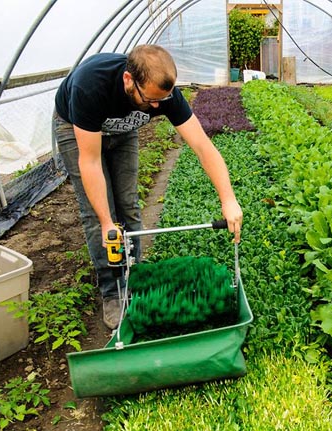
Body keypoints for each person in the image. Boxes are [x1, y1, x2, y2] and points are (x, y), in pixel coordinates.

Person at [53, 44, 243, 330]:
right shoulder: (90, 86)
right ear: (129, 81)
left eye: (162, 100)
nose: (157, 107)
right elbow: (90, 162)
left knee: (128, 204)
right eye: (150, 100)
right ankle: (111, 291)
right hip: (76, 128)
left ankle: (135, 275)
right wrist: (107, 222)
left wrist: (228, 199)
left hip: (123, 130)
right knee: (98, 215)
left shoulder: (164, 95)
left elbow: (203, 146)